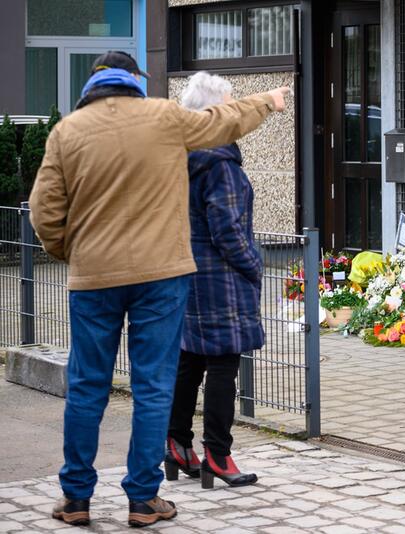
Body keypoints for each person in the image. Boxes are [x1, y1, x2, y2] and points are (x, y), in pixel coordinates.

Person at [29, 51, 290, 528]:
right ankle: (143, 500)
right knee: (153, 386)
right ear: (134, 80)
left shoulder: (66, 132)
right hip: (161, 278)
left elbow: (44, 211)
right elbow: (222, 121)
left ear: (94, 83)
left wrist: (73, 251)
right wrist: (268, 101)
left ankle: (76, 499)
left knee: (88, 386)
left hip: (94, 280)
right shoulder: (166, 117)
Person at [165, 72, 263, 490]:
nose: (236, 112)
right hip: (221, 280)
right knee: (224, 363)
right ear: (213, 113)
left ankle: (176, 445)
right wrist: (253, 264)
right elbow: (228, 229)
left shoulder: (179, 156)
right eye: (230, 104)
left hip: (187, 272)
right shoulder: (220, 164)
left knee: (190, 361)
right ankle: (218, 455)